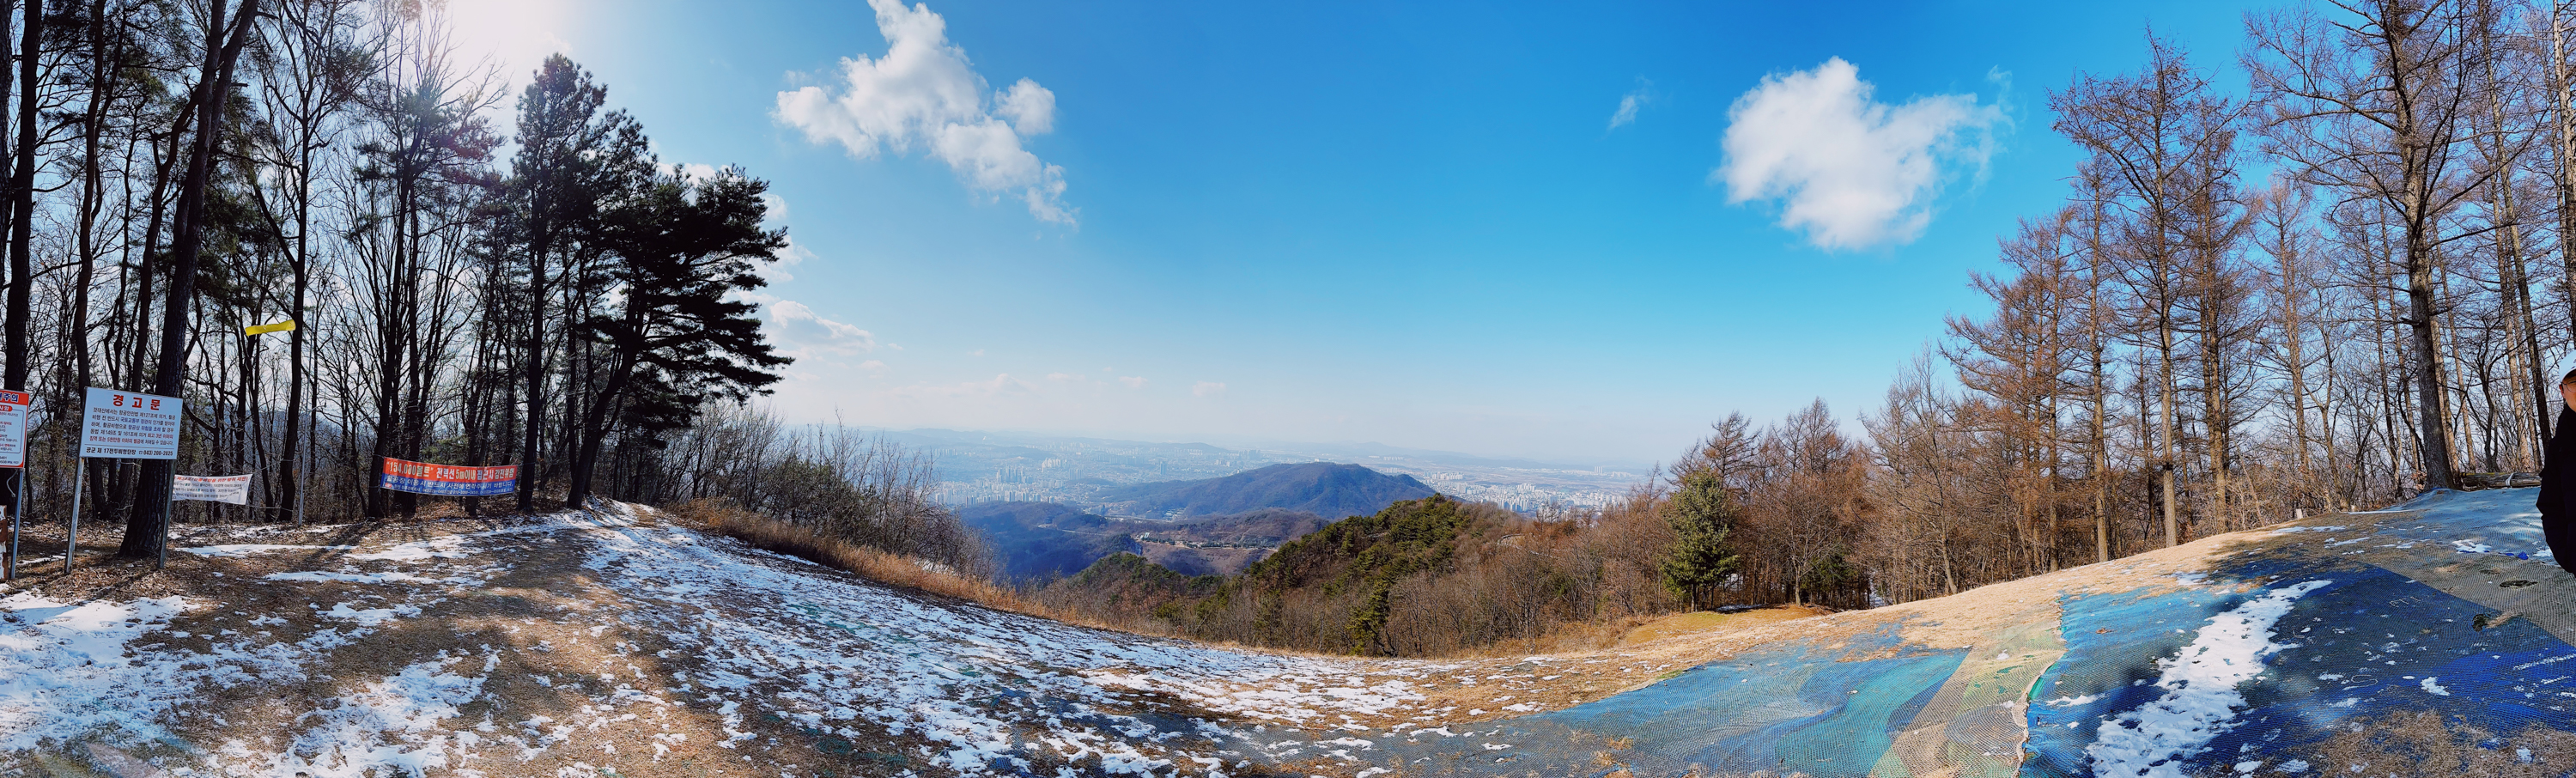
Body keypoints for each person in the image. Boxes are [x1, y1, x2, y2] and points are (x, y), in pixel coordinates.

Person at [2542, 368, 2576, 578]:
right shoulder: (2559, 448)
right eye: (2574, 383)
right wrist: (2567, 554)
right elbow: (2550, 505)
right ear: (2562, 390)